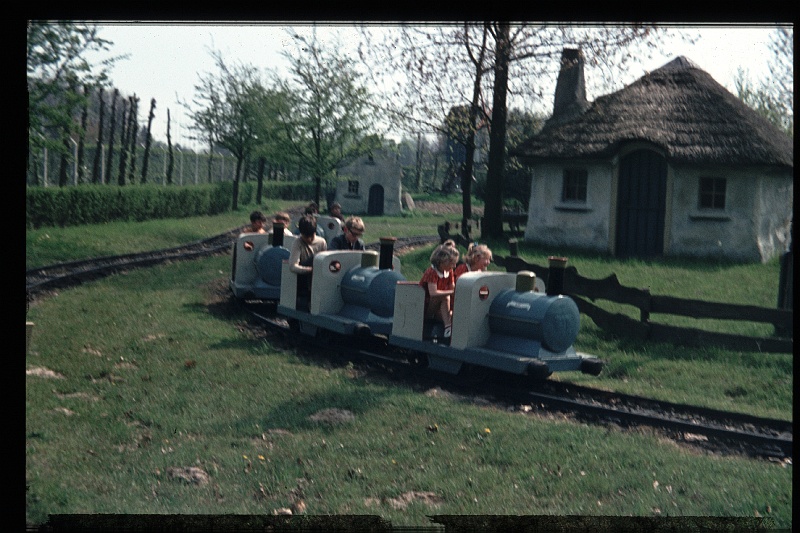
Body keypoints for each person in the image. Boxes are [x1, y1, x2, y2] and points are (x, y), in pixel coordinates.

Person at [419, 242, 460, 338]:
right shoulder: (431, 272)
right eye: (452, 263)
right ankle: (448, 327)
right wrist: (452, 292)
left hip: (440, 307)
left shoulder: (449, 272)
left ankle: (449, 332)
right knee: (444, 297)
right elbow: (433, 293)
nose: (454, 266)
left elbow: (452, 288)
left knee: (453, 315)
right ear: (442, 262)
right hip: (426, 306)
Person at [289, 214, 328, 294]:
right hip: (303, 278)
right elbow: (293, 266)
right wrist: (310, 270)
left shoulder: (321, 242)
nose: (309, 239)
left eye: (311, 236)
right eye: (306, 237)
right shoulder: (298, 243)